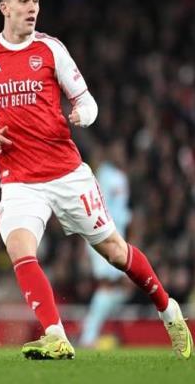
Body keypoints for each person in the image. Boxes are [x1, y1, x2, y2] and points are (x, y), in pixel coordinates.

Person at [0, 0, 193, 360]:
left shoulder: (51, 50)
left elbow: (87, 101)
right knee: (19, 248)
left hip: (66, 174)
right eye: (24, 0)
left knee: (115, 252)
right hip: (19, 179)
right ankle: (55, 335)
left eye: (36, 1)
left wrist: (83, 114)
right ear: (4, 7)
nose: (32, 8)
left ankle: (169, 310)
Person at [79, 139, 132, 348]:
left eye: (123, 151)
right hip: (103, 234)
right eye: (116, 150)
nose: (120, 154)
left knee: (122, 287)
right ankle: (88, 337)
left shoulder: (120, 177)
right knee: (108, 284)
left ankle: (92, 329)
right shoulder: (105, 174)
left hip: (116, 237)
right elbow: (95, 207)